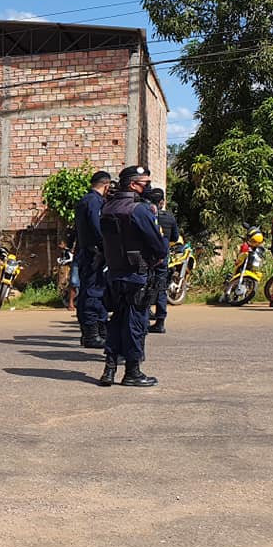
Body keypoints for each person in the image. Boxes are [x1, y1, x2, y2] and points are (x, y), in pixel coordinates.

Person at [97, 165, 168, 387]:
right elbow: (157, 243)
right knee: (136, 323)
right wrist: (158, 256)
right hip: (136, 274)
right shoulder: (139, 209)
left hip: (115, 273)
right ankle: (132, 372)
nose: (148, 187)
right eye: (145, 183)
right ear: (132, 184)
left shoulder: (108, 207)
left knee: (116, 321)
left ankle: (109, 370)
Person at [74, 171, 112, 347]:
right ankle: (91, 335)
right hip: (94, 254)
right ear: (106, 185)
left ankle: (90, 333)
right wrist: (106, 248)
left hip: (85, 251)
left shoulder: (84, 200)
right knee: (93, 293)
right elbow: (98, 229)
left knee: (87, 293)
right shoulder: (94, 202)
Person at [141, 187, 179, 333]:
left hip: (147, 257)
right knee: (161, 288)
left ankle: (144, 320)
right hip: (162, 258)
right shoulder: (169, 217)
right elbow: (175, 238)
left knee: (144, 287)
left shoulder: (144, 214)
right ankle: (160, 321)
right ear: (162, 201)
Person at [59, 226, 79, 312]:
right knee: (74, 281)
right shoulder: (76, 228)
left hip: (88, 255)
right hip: (78, 256)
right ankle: (71, 303)